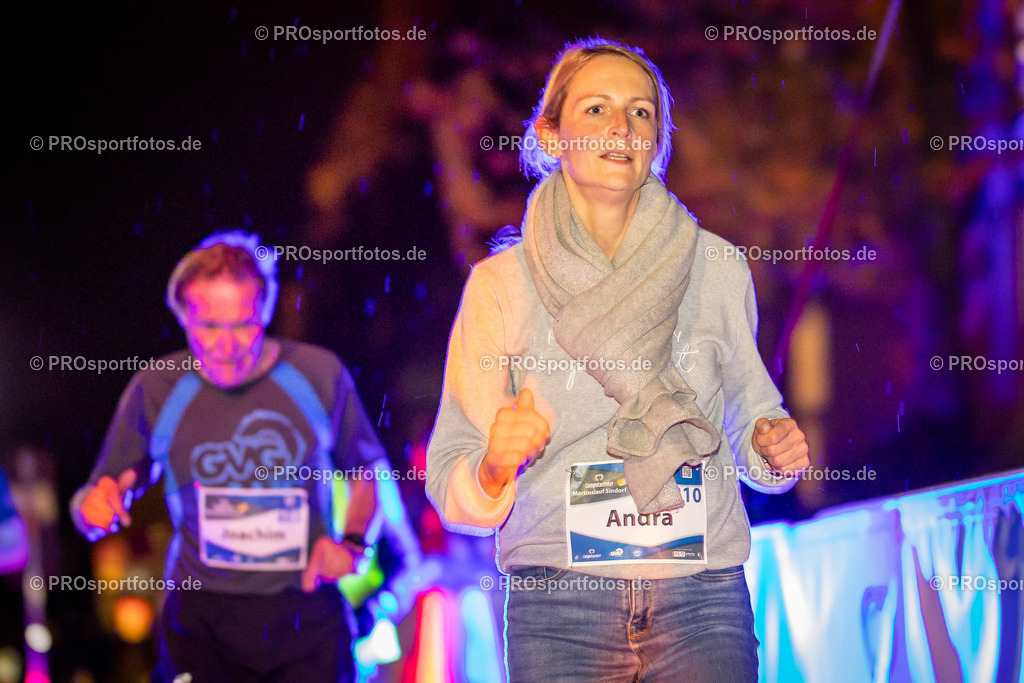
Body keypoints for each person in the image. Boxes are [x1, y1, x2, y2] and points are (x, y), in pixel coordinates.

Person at [426, 38, 809, 682]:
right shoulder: (500, 286)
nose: (622, 128)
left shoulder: (717, 268)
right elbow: (450, 473)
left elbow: (751, 416)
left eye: (640, 112)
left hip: (703, 595)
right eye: (597, 109)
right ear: (551, 137)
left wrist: (772, 446)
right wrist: (494, 465)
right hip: (559, 605)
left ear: (658, 141)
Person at [71, 231, 388, 682]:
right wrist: (96, 505)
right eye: (209, 326)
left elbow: (366, 471)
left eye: (243, 325)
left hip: (304, 614)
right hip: (202, 622)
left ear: (265, 312)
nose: (227, 345)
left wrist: (355, 544)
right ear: (183, 318)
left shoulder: (318, 373)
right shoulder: (157, 387)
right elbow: (110, 487)